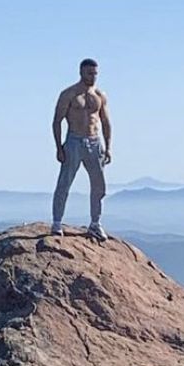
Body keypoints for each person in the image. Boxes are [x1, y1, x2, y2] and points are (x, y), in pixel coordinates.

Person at [51, 59, 112, 241]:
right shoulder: (69, 94)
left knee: (99, 185)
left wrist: (108, 147)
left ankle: (95, 223)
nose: (93, 77)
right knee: (65, 183)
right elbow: (57, 121)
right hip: (74, 140)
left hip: (95, 142)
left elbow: (105, 122)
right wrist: (59, 147)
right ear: (81, 73)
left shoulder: (99, 96)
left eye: (95, 74)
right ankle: (56, 222)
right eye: (89, 73)